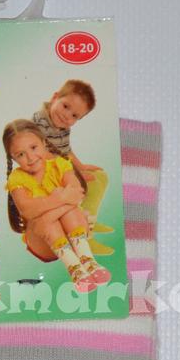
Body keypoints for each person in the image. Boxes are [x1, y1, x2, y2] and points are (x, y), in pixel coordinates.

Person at [3, 120, 111, 293]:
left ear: (44, 143)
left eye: (33, 147)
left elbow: (77, 193)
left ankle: (88, 261)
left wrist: (47, 212)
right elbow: (27, 210)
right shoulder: (17, 178)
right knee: (48, 220)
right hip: (43, 243)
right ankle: (75, 269)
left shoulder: (59, 164)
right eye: (21, 154)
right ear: (13, 158)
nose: (30, 158)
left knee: (55, 215)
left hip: (70, 232)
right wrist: (61, 198)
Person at [32, 80, 114, 255]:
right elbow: (43, 157)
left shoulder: (62, 126)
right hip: (45, 175)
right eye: (65, 106)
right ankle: (85, 235)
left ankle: (89, 219)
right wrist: (75, 174)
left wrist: (81, 167)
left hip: (60, 168)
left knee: (100, 176)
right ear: (55, 97)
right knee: (89, 184)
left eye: (75, 115)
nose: (66, 116)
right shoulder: (40, 123)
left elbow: (66, 150)